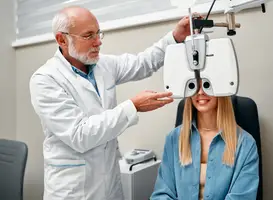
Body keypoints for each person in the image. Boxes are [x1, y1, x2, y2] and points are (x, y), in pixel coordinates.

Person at [29, 5, 197, 200]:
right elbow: (80, 135)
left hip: (110, 187)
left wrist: (175, 37)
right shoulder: (45, 79)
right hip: (72, 192)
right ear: (62, 39)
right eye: (89, 35)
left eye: (99, 33)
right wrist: (133, 106)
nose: (98, 42)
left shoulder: (103, 65)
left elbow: (143, 63)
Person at [150, 81, 259, 200]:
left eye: (207, 85)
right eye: (195, 85)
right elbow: (162, 194)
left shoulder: (245, 144)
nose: (200, 92)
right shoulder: (174, 138)